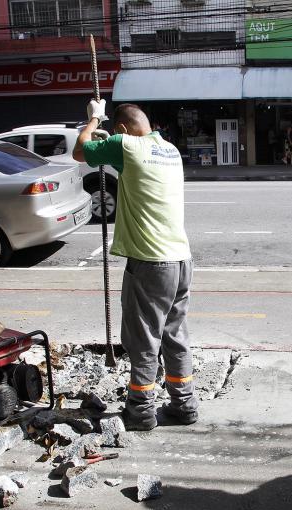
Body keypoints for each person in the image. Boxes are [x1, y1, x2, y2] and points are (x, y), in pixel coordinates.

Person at [73, 99, 199, 431]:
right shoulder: (169, 150)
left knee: (143, 338)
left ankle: (141, 410)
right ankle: (184, 404)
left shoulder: (125, 144)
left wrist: (94, 118)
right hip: (181, 260)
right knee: (175, 334)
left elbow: (80, 151)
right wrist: (109, 140)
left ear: (124, 129)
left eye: (117, 132)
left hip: (150, 263)